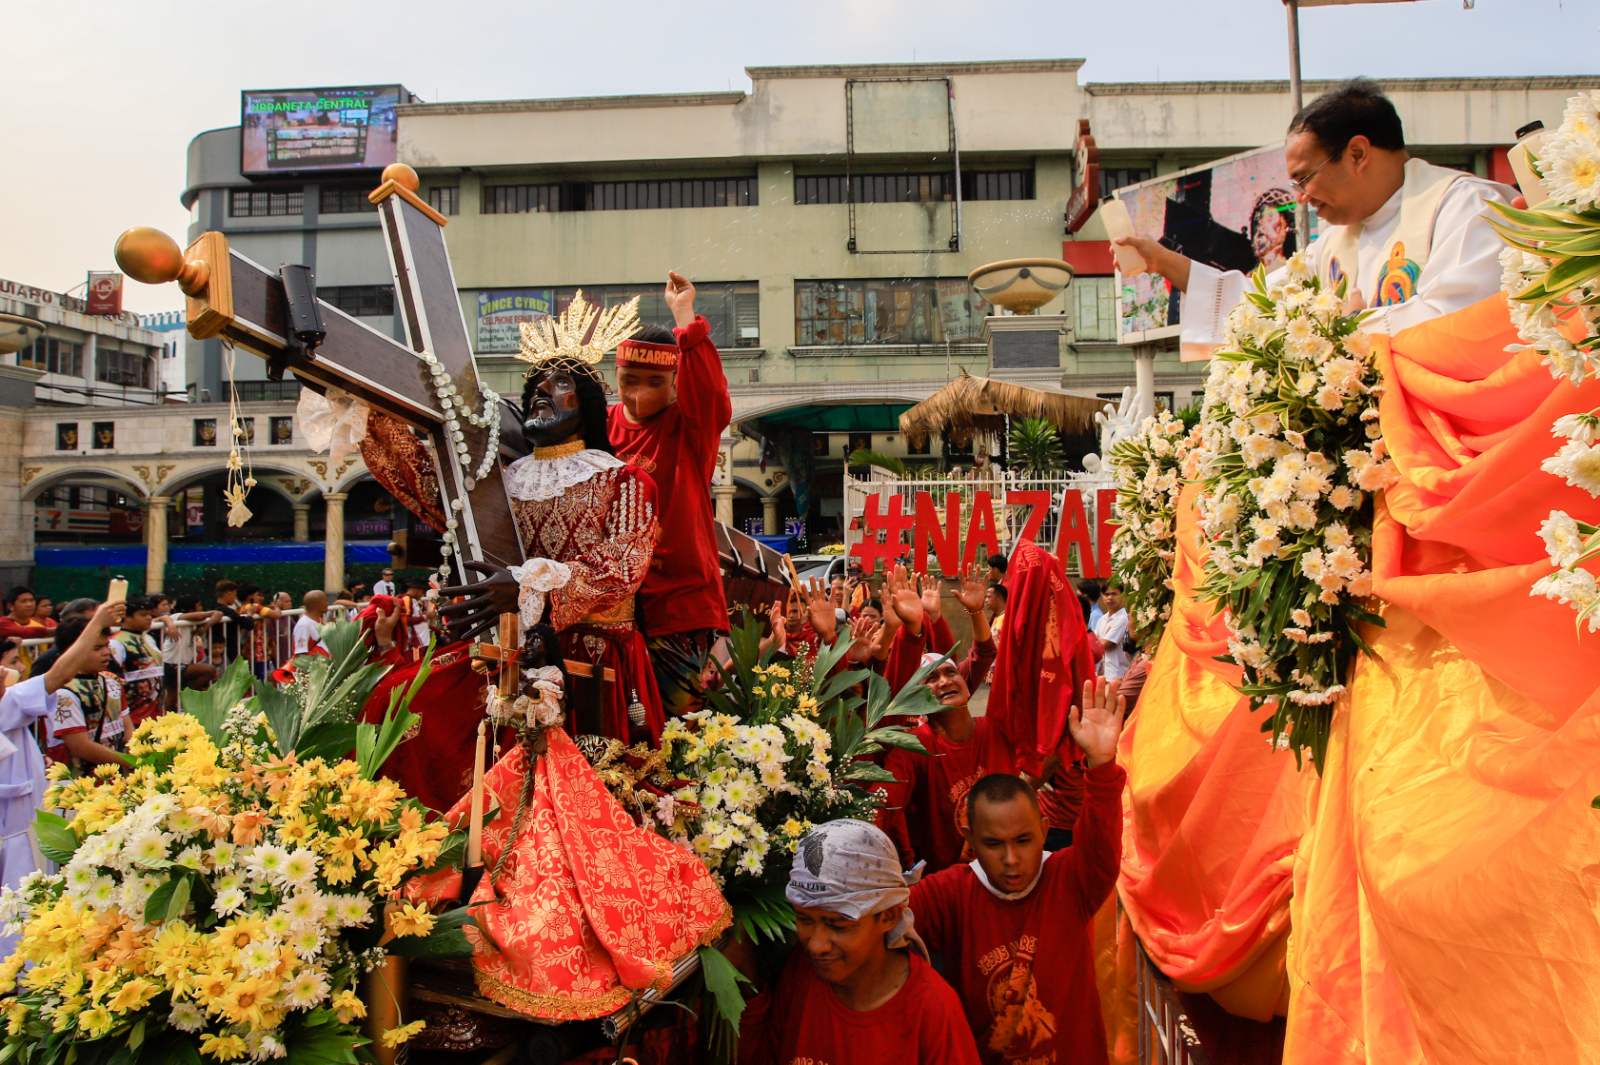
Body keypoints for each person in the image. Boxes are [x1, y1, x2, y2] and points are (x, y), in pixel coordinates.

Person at [1117, 79, 1515, 347]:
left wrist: (1345, 327)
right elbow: (1257, 304)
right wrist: (1164, 262)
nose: (1302, 198)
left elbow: (1465, 323)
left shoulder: (1466, 207)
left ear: (1357, 154)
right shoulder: (1333, 246)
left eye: (1305, 178)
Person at [441, 292, 665, 744]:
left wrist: (528, 586)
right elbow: (435, 495)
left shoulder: (623, 480)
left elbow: (622, 570)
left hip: (595, 659)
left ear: (585, 404)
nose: (540, 390)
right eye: (535, 385)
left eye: (558, 383)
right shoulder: (499, 482)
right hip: (512, 651)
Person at [909, 678, 1127, 1065]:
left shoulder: (1070, 879)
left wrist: (1102, 765)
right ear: (969, 839)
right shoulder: (950, 895)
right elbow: (882, 920)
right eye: (994, 844)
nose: (1011, 859)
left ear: (1044, 831)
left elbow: (1101, 842)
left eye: (1023, 841)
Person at [738, 819, 981, 1065]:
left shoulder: (932, 1011)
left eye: (838, 925)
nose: (816, 945)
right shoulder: (801, 975)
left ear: (888, 916)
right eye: (805, 920)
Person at [606, 272, 732, 717]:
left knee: (681, 735)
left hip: (681, 611)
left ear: (677, 382)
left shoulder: (690, 426)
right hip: (612, 608)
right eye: (628, 380)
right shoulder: (602, 427)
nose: (637, 395)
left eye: (653, 382)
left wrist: (685, 318)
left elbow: (713, 396)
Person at [0, 602, 125, 957]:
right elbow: (58, 674)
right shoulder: (6, 708)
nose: (14, 672)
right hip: (18, 835)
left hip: (22, 829)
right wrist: (98, 622)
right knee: (19, 922)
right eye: (11, 667)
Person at [43, 613, 130, 773]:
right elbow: (80, 747)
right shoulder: (63, 693)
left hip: (115, 780)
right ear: (73, 651)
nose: (106, 652)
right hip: (79, 786)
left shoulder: (111, 681)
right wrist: (130, 761)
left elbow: (127, 727)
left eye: (106, 645)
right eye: (97, 648)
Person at [109, 596, 164, 728]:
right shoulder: (116, 642)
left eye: (150, 614)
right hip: (134, 716)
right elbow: (114, 680)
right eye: (143, 615)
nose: (149, 618)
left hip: (155, 712)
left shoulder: (148, 638)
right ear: (126, 617)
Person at [1093, 581, 1131, 682]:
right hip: (1104, 674)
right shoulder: (1102, 619)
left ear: (1122, 596)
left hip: (1118, 674)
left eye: (1114, 594)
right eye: (1106, 594)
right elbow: (1094, 644)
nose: (1110, 597)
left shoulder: (1123, 618)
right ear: (1102, 596)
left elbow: (1105, 644)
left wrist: (1097, 642)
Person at [212, 579, 255, 664]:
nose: (235, 598)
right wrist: (250, 614)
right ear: (228, 593)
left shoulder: (212, 607)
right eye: (234, 595)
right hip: (229, 649)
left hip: (220, 648)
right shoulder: (227, 611)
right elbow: (248, 624)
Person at [293, 590, 328, 656]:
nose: (327, 603)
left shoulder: (320, 620)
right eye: (325, 601)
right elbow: (300, 654)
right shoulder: (303, 625)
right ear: (316, 604)